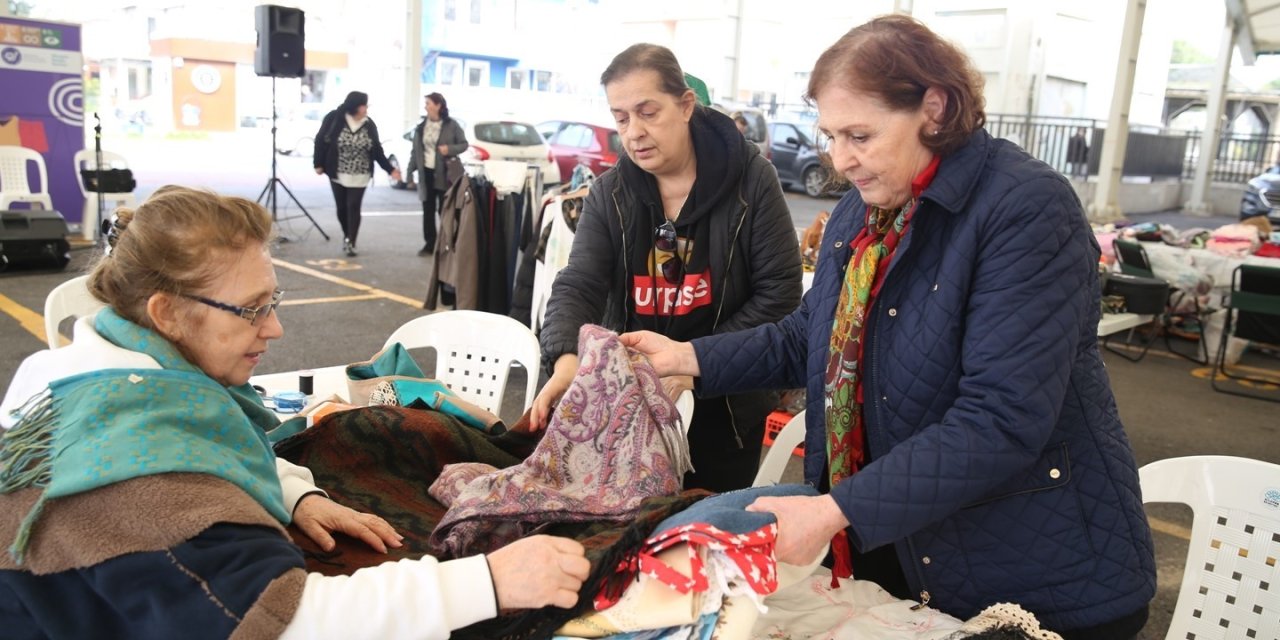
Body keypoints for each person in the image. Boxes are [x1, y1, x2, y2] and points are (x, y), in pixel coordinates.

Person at [620, 16, 1155, 639]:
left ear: (936, 107)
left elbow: (1001, 419)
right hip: (906, 548)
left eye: (860, 135)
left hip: (1033, 572)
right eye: (831, 135)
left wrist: (835, 509)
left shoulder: (1026, 210)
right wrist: (686, 356)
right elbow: (808, 338)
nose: (841, 160)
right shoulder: (866, 207)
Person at [0, 187, 589, 639]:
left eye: (273, 302)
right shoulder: (141, 470)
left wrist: (294, 492)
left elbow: (214, 447)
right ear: (168, 313)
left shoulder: (75, 372)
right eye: (252, 310)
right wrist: (491, 580)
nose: (275, 328)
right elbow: (283, 621)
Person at [531, 44, 802, 493]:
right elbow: (580, 282)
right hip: (631, 406)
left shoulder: (753, 182)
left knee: (702, 540)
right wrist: (565, 360)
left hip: (727, 410)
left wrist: (694, 361)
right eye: (621, 118)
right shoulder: (610, 193)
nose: (634, 132)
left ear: (685, 105)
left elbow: (780, 297)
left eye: (648, 112)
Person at [313, 91, 399, 257]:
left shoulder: (369, 124)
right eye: (364, 105)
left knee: (353, 206)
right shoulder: (334, 118)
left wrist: (390, 169)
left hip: (361, 173)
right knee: (341, 208)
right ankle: (346, 234)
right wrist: (318, 163)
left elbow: (378, 150)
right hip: (337, 171)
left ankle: (351, 241)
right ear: (356, 106)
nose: (366, 108)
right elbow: (320, 139)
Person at [411, 92, 469, 256]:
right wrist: (409, 173)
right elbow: (414, 152)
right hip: (426, 173)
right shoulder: (421, 127)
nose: (426, 106)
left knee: (444, 210)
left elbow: (464, 144)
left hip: (445, 173)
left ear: (438, 105)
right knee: (427, 209)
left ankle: (446, 243)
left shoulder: (452, 125)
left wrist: (449, 149)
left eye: (428, 103)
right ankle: (430, 243)